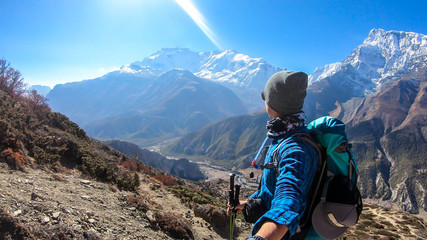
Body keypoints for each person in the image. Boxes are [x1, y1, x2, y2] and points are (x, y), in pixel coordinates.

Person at [229, 71, 321, 240]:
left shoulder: (294, 149)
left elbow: (288, 201)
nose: (264, 100)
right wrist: (248, 204)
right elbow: (273, 191)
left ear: (275, 103)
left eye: (266, 96)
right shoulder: (286, 135)